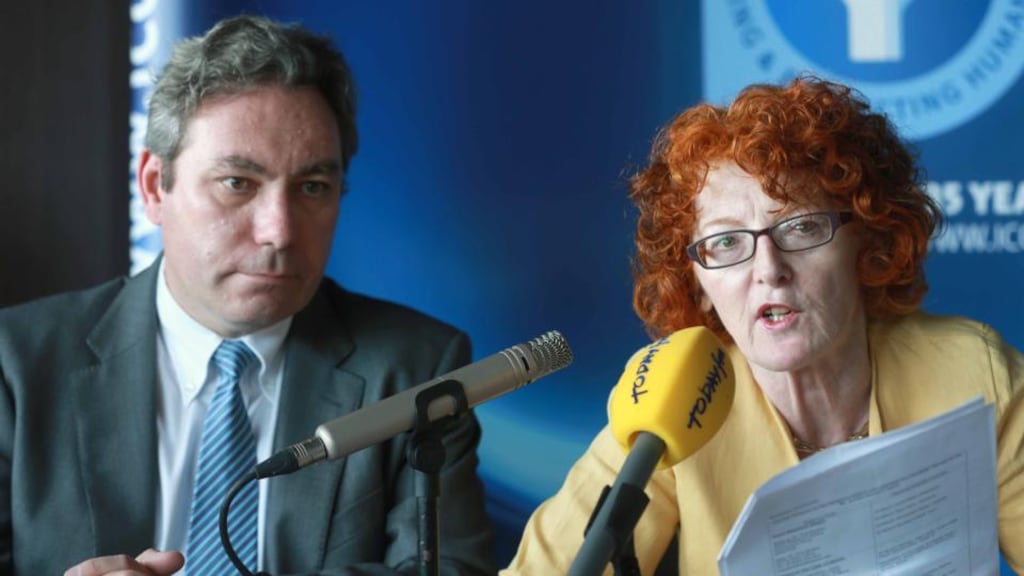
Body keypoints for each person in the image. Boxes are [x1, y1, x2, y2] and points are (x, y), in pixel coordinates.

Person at [0, 15, 495, 576]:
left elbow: (448, 570)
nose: (279, 231)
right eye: (238, 183)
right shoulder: (15, 365)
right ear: (153, 187)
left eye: (313, 187)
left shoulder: (417, 368)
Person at [501, 76, 1024, 574]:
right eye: (726, 242)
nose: (768, 269)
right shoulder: (673, 399)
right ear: (698, 280)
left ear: (866, 240)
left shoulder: (974, 372)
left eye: (798, 226)